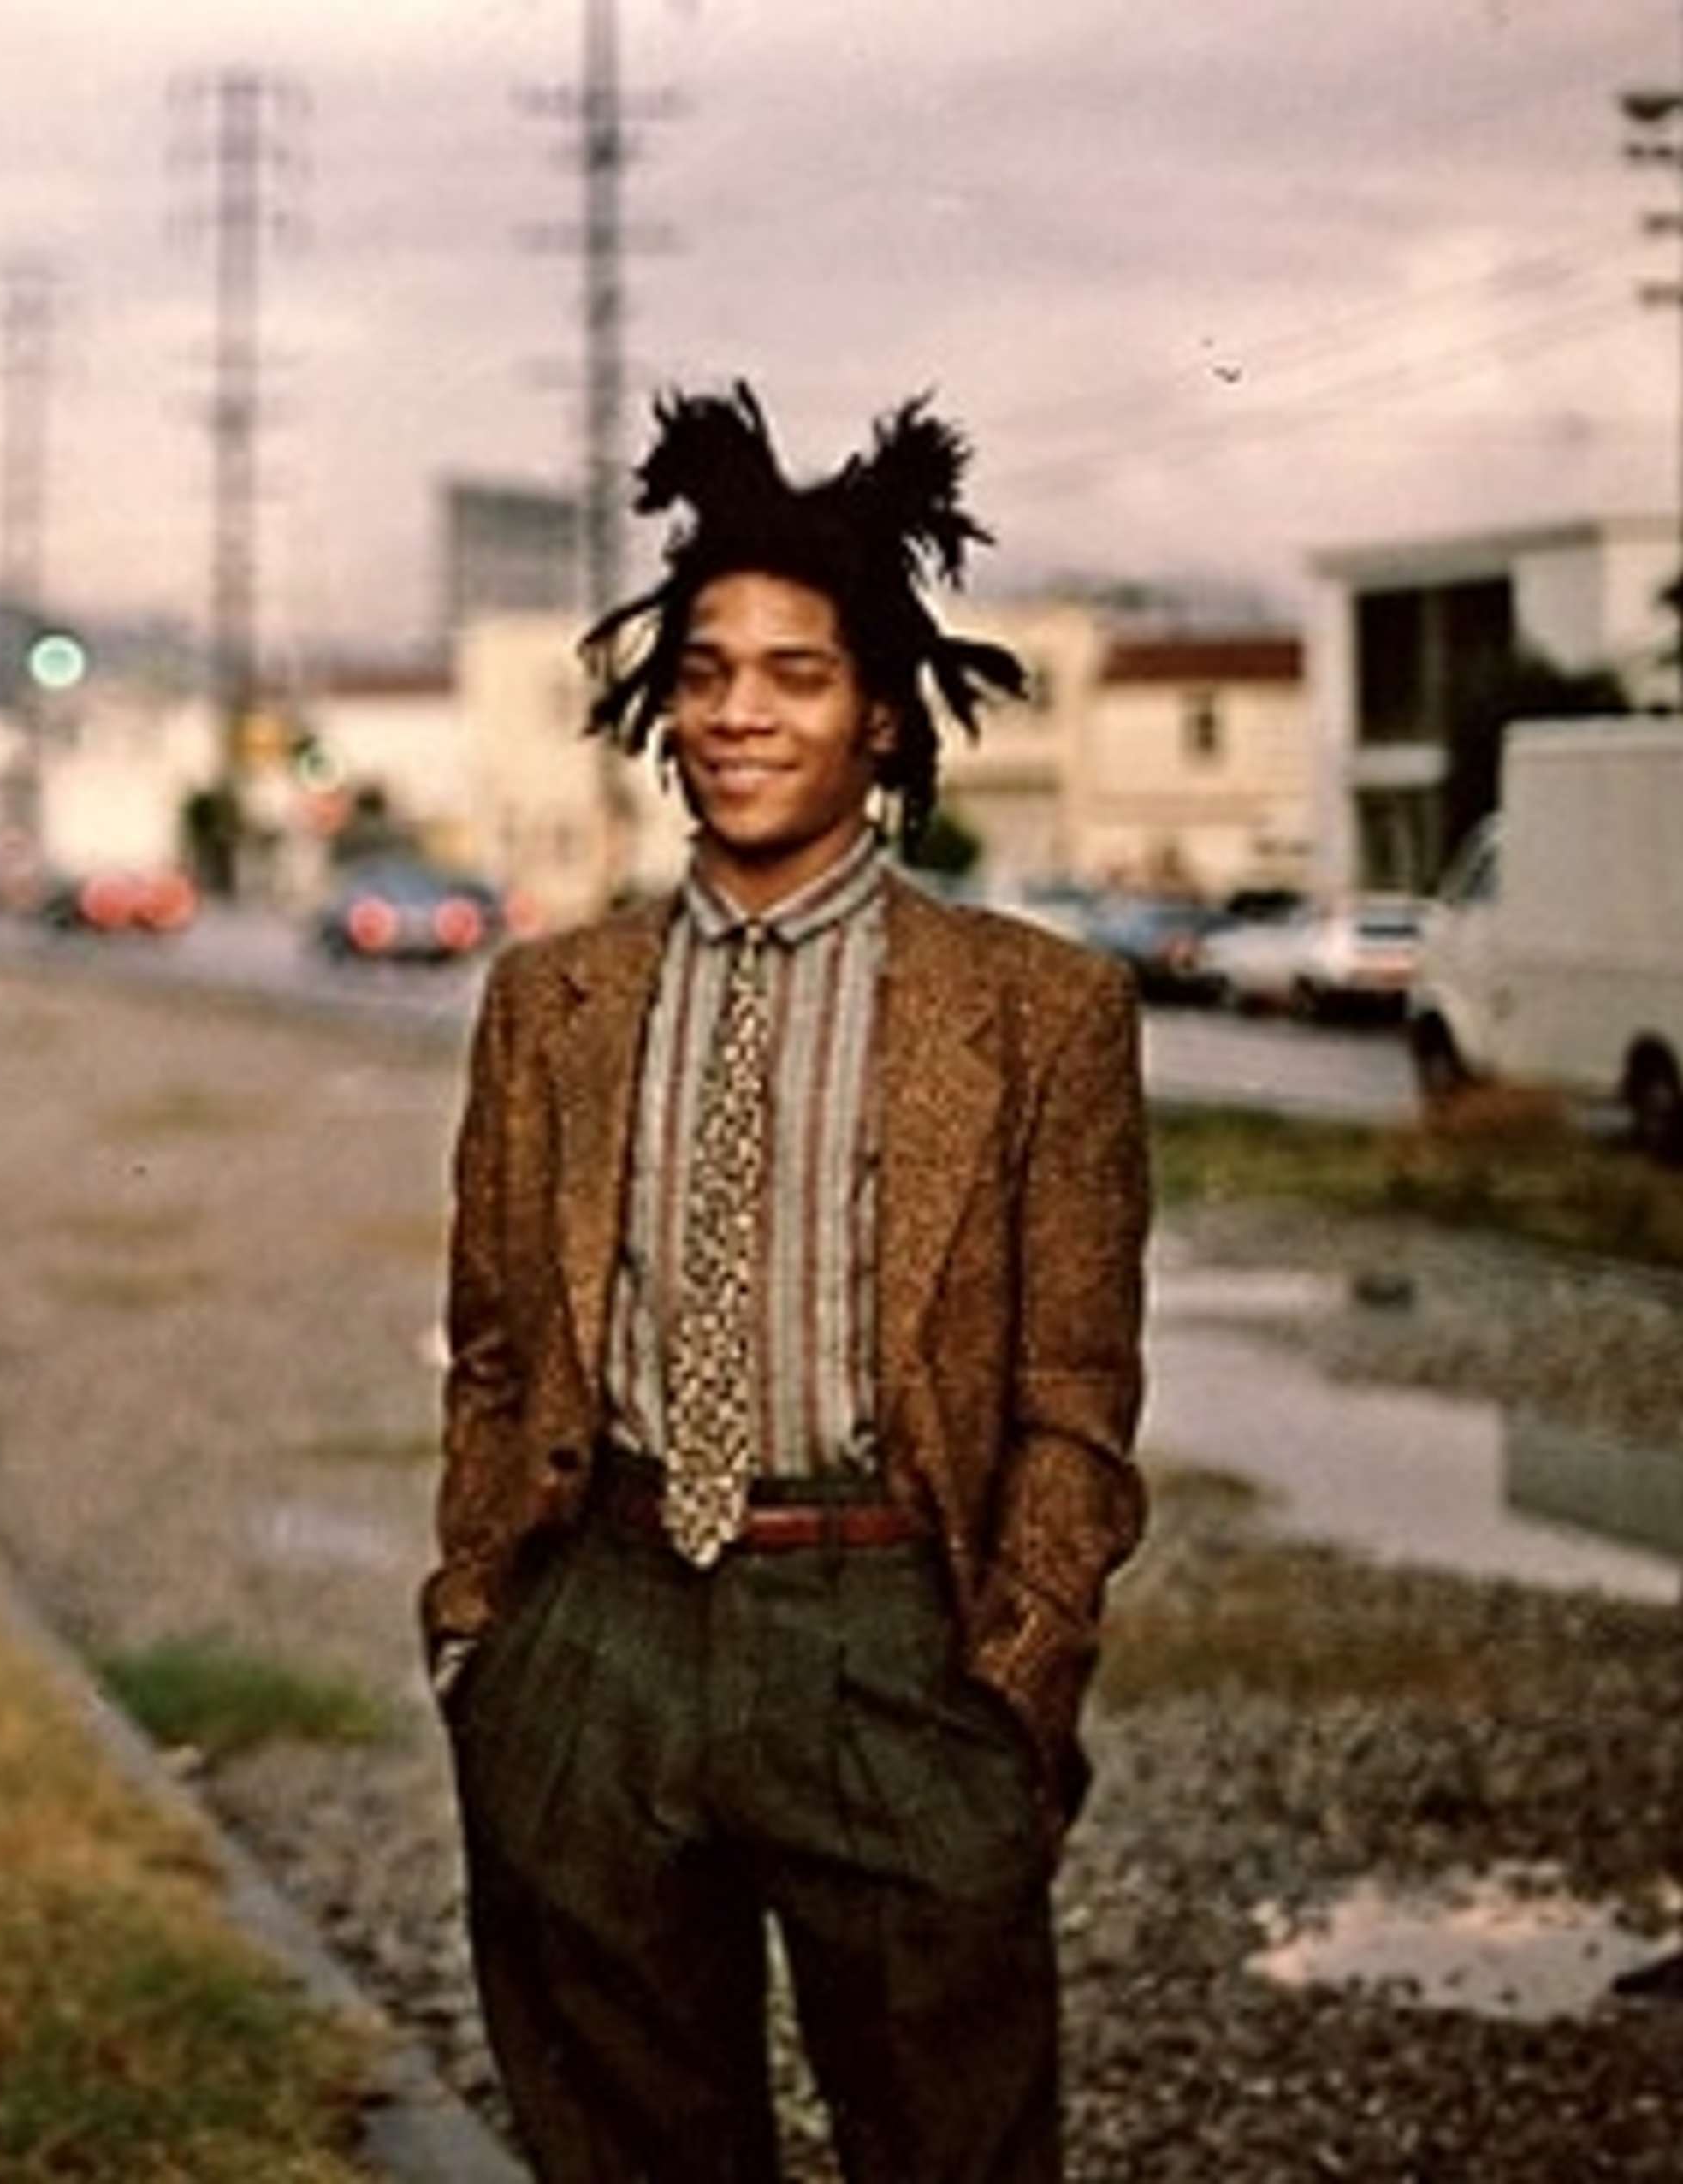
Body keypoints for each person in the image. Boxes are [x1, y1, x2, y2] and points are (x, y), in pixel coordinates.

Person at [425, 386, 1149, 2182]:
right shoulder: (553, 1002)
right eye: (706, 671)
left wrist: (1015, 1680)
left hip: (890, 1633)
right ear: (662, 709)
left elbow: (1077, 1399)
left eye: (796, 674)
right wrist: (485, 1631)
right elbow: (498, 1349)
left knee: (954, 2144)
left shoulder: (1034, 1011)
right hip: (601, 1622)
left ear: (882, 714)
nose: (741, 709)